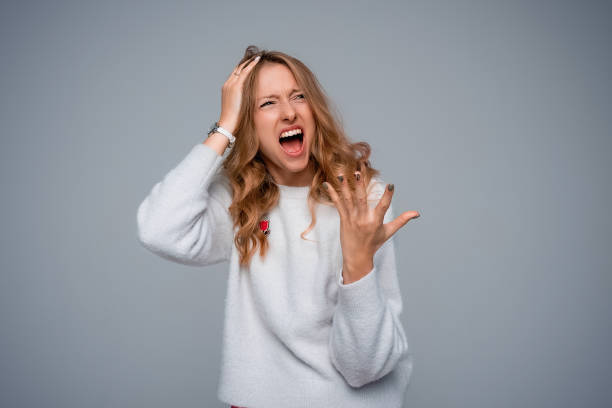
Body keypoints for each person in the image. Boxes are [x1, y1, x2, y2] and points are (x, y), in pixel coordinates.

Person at [136, 45, 421, 408]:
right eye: (267, 103)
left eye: (298, 96)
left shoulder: (362, 197)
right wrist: (224, 127)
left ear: (314, 109)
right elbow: (158, 230)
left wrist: (358, 265)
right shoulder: (240, 198)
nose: (289, 112)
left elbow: (363, 369)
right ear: (247, 121)